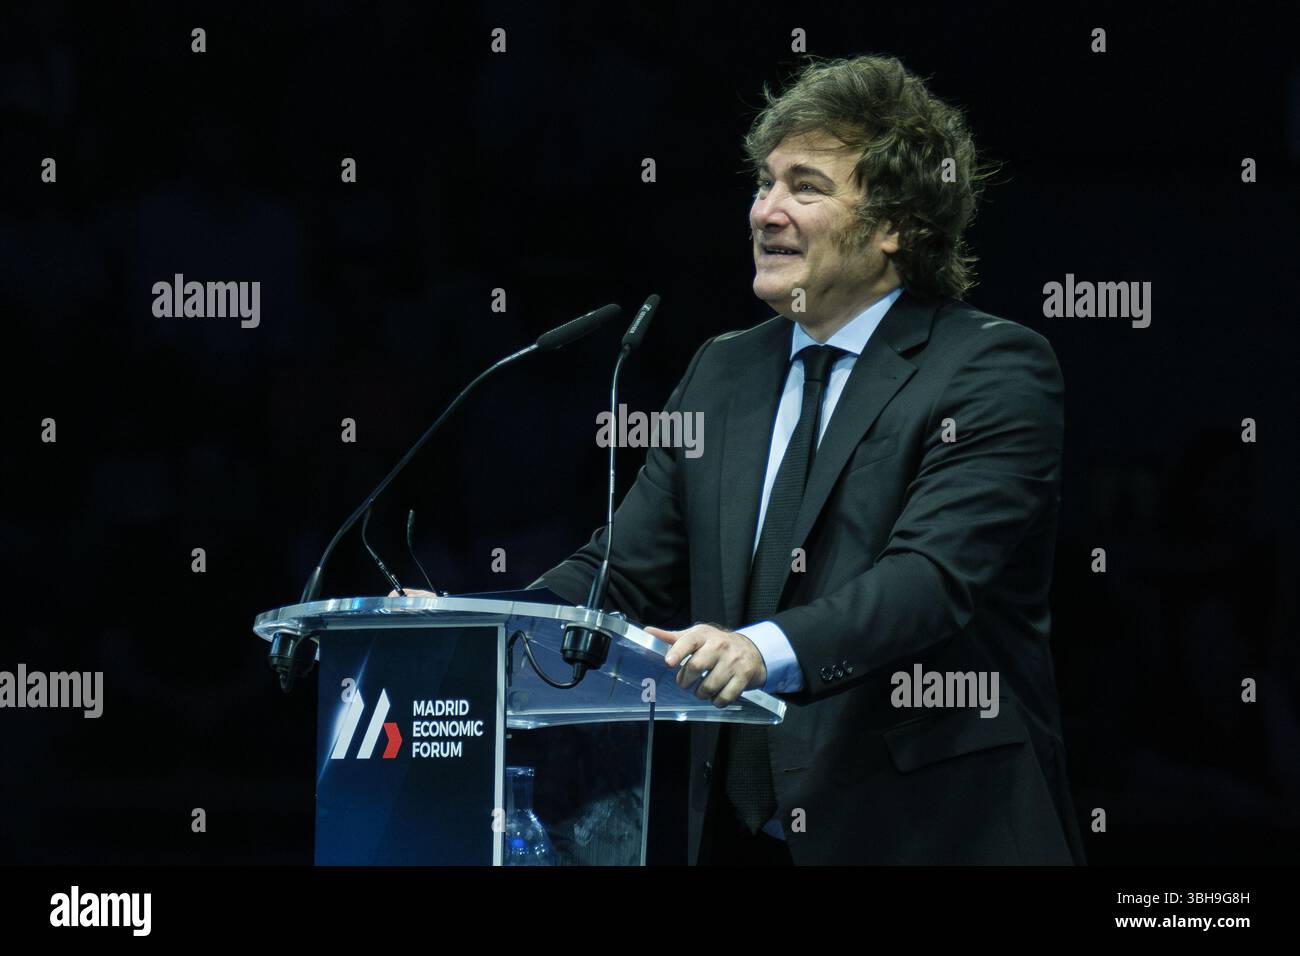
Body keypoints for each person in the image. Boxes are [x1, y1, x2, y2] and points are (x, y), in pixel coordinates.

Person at [432, 53, 1084, 865]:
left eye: (805, 187)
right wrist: (472, 629)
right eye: (763, 184)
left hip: (932, 833)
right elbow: (623, 572)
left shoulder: (992, 366)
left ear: (895, 227)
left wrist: (761, 648)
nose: (766, 211)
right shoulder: (725, 369)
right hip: (745, 839)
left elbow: (932, 581)